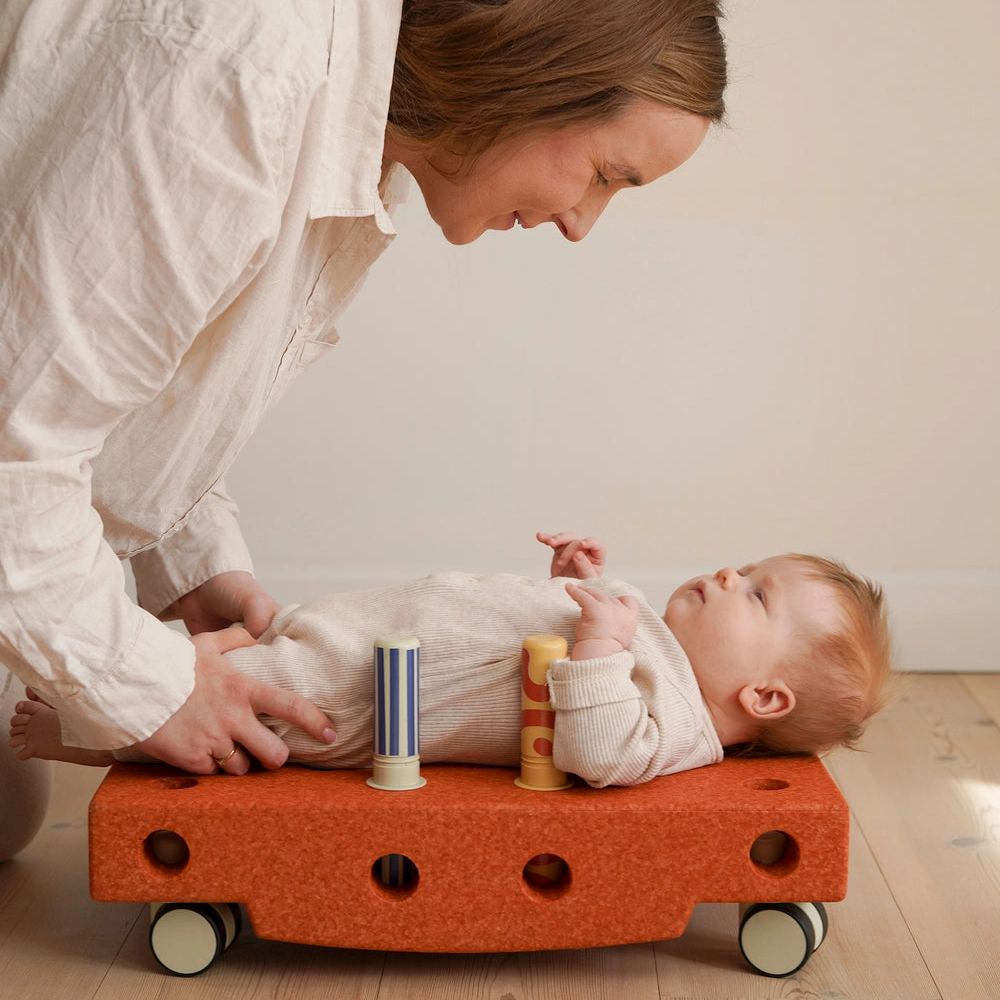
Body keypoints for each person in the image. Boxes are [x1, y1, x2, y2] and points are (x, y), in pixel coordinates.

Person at [0, 0, 728, 857]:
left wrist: (192, 565)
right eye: (607, 172)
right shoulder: (241, 79)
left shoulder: (357, 137)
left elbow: (126, 371)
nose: (582, 222)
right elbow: (15, 442)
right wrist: (152, 686)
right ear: (536, 76)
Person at [10, 532, 894, 788]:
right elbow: (561, 631)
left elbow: (600, 745)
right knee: (237, 660)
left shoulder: (680, 732)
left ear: (765, 695)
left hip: (364, 699)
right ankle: (95, 661)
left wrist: (598, 644)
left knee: (239, 698)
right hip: (369, 634)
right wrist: (575, 585)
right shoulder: (649, 636)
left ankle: (74, 729)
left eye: (759, 595)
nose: (732, 571)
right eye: (752, 564)